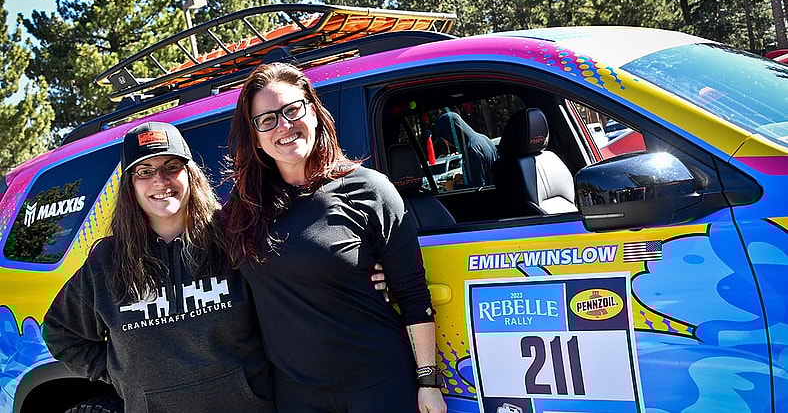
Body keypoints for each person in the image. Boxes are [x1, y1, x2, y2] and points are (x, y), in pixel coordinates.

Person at [224, 62, 448, 413]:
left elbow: (413, 294)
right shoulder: (243, 210)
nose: (283, 125)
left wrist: (427, 382)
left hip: (379, 386)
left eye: (292, 109)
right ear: (255, 136)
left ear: (313, 111)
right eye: (266, 119)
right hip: (296, 395)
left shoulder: (369, 189)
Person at [43, 121, 275, 412]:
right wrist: (121, 372)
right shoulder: (107, 260)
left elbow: (278, 318)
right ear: (131, 186)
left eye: (171, 167)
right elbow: (61, 333)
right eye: (145, 171)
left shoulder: (232, 237)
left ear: (190, 175)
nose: (160, 180)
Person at [432, 110, 498, 188]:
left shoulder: (471, 149)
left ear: (450, 133)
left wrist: (453, 187)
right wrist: (465, 177)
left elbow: (477, 188)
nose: (446, 143)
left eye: (444, 139)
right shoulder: (483, 138)